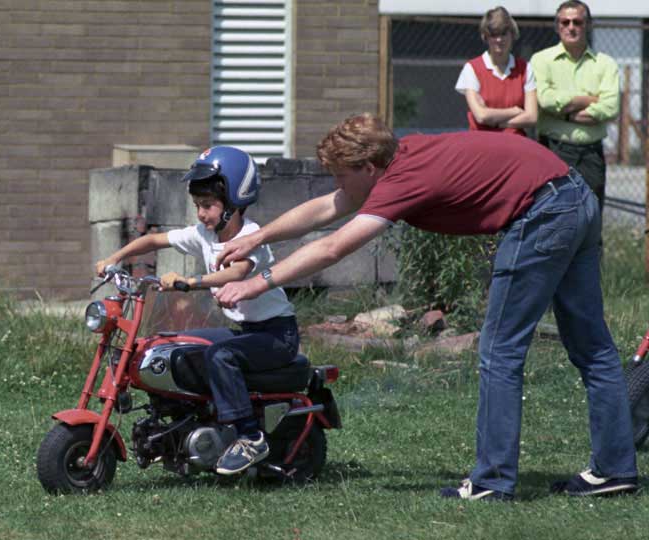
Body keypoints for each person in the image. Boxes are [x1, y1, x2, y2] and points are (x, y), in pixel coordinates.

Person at [213, 113, 638, 500]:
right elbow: (329, 207)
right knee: (593, 347)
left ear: (369, 169)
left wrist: (257, 282)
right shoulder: (399, 158)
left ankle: (492, 481)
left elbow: (333, 247)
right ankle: (614, 470)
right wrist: (257, 237)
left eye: (342, 176)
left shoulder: (402, 180)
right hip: (573, 195)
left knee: (500, 350)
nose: (338, 186)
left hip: (542, 213)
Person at [95, 146, 299, 475]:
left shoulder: (251, 237)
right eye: (197, 205)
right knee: (173, 343)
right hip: (246, 332)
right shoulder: (204, 234)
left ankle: (250, 437)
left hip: (277, 336)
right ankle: (188, 421)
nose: (201, 213)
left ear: (233, 202)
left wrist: (190, 282)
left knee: (221, 356)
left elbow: (236, 272)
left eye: (207, 205)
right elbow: (153, 241)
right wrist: (113, 258)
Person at [531, 1, 619, 213]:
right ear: (557, 26)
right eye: (565, 22)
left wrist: (562, 113)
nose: (571, 27)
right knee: (552, 215)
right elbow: (544, 100)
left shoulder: (605, 64)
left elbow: (610, 108)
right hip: (552, 150)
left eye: (577, 22)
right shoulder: (541, 60)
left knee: (591, 217)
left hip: (591, 155)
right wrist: (589, 99)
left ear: (587, 25)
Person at [455, 6, 537, 135]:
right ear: (485, 37)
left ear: (513, 34)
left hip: (516, 145)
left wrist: (497, 122)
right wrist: (514, 111)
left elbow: (532, 117)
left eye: (504, 33)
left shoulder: (526, 69)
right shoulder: (471, 68)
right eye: (493, 34)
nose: (499, 40)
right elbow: (481, 116)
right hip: (482, 145)